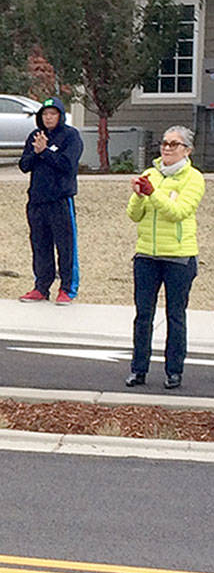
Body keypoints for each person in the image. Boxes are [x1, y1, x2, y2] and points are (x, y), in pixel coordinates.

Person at [125, 126, 205, 390]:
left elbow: (178, 211)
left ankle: (174, 371)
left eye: (174, 144)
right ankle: (138, 369)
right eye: (164, 143)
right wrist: (139, 196)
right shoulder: (150, 174)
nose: (168, 148)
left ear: (187, 150)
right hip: (146, 255)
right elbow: (134, 215)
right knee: (143, 315)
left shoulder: (193, 178)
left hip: (179, 258)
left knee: (175, 315)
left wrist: (152, 194)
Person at [18, 97, 83, 305]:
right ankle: (41, 287)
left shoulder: (70, 136)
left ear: (61, 116)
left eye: (53, 114)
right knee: (40, 244)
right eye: (45, 114)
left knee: (65, 245)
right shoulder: (36, 136)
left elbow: (67, 165)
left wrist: (45, 152)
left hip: (60, 200)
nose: (48, 118)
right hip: (37, 201)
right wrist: (37, 152)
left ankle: (67, 289)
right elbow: (24, 164)